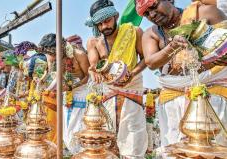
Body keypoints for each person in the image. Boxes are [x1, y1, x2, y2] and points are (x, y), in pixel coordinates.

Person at [137, 0, 227, 148]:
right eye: (146, 13)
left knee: (215, 148)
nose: (152, 14)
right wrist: (172, 46)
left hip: (212, 92)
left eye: (154, 6)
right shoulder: (151, 33)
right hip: (173, 98)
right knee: (174, 148)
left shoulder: (204, 12)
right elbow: (151, 62)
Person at [86, 0, 148, 158]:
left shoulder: (134, 31)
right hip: (108, 92)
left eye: (107, 21)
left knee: (133, 135)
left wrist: (131, 74)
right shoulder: (94, 42)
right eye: (99, 24)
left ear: (116, 16)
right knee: (107, 136)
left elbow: (145, 59)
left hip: (132, 87)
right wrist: (93, 71)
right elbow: (93, 66)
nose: (104, 27)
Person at [37, 33, 90, 151]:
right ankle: (74, 153)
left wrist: (72, 87)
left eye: (52, 53)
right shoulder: (57, 58)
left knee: (78, 129)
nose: (51, 56)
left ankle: (82, 154)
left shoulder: (79, 55)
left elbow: (88, 76)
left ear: (61, 47)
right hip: (66, 95)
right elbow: (55, 77)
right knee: (67, 131)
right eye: (49, 54)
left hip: (81, 93)